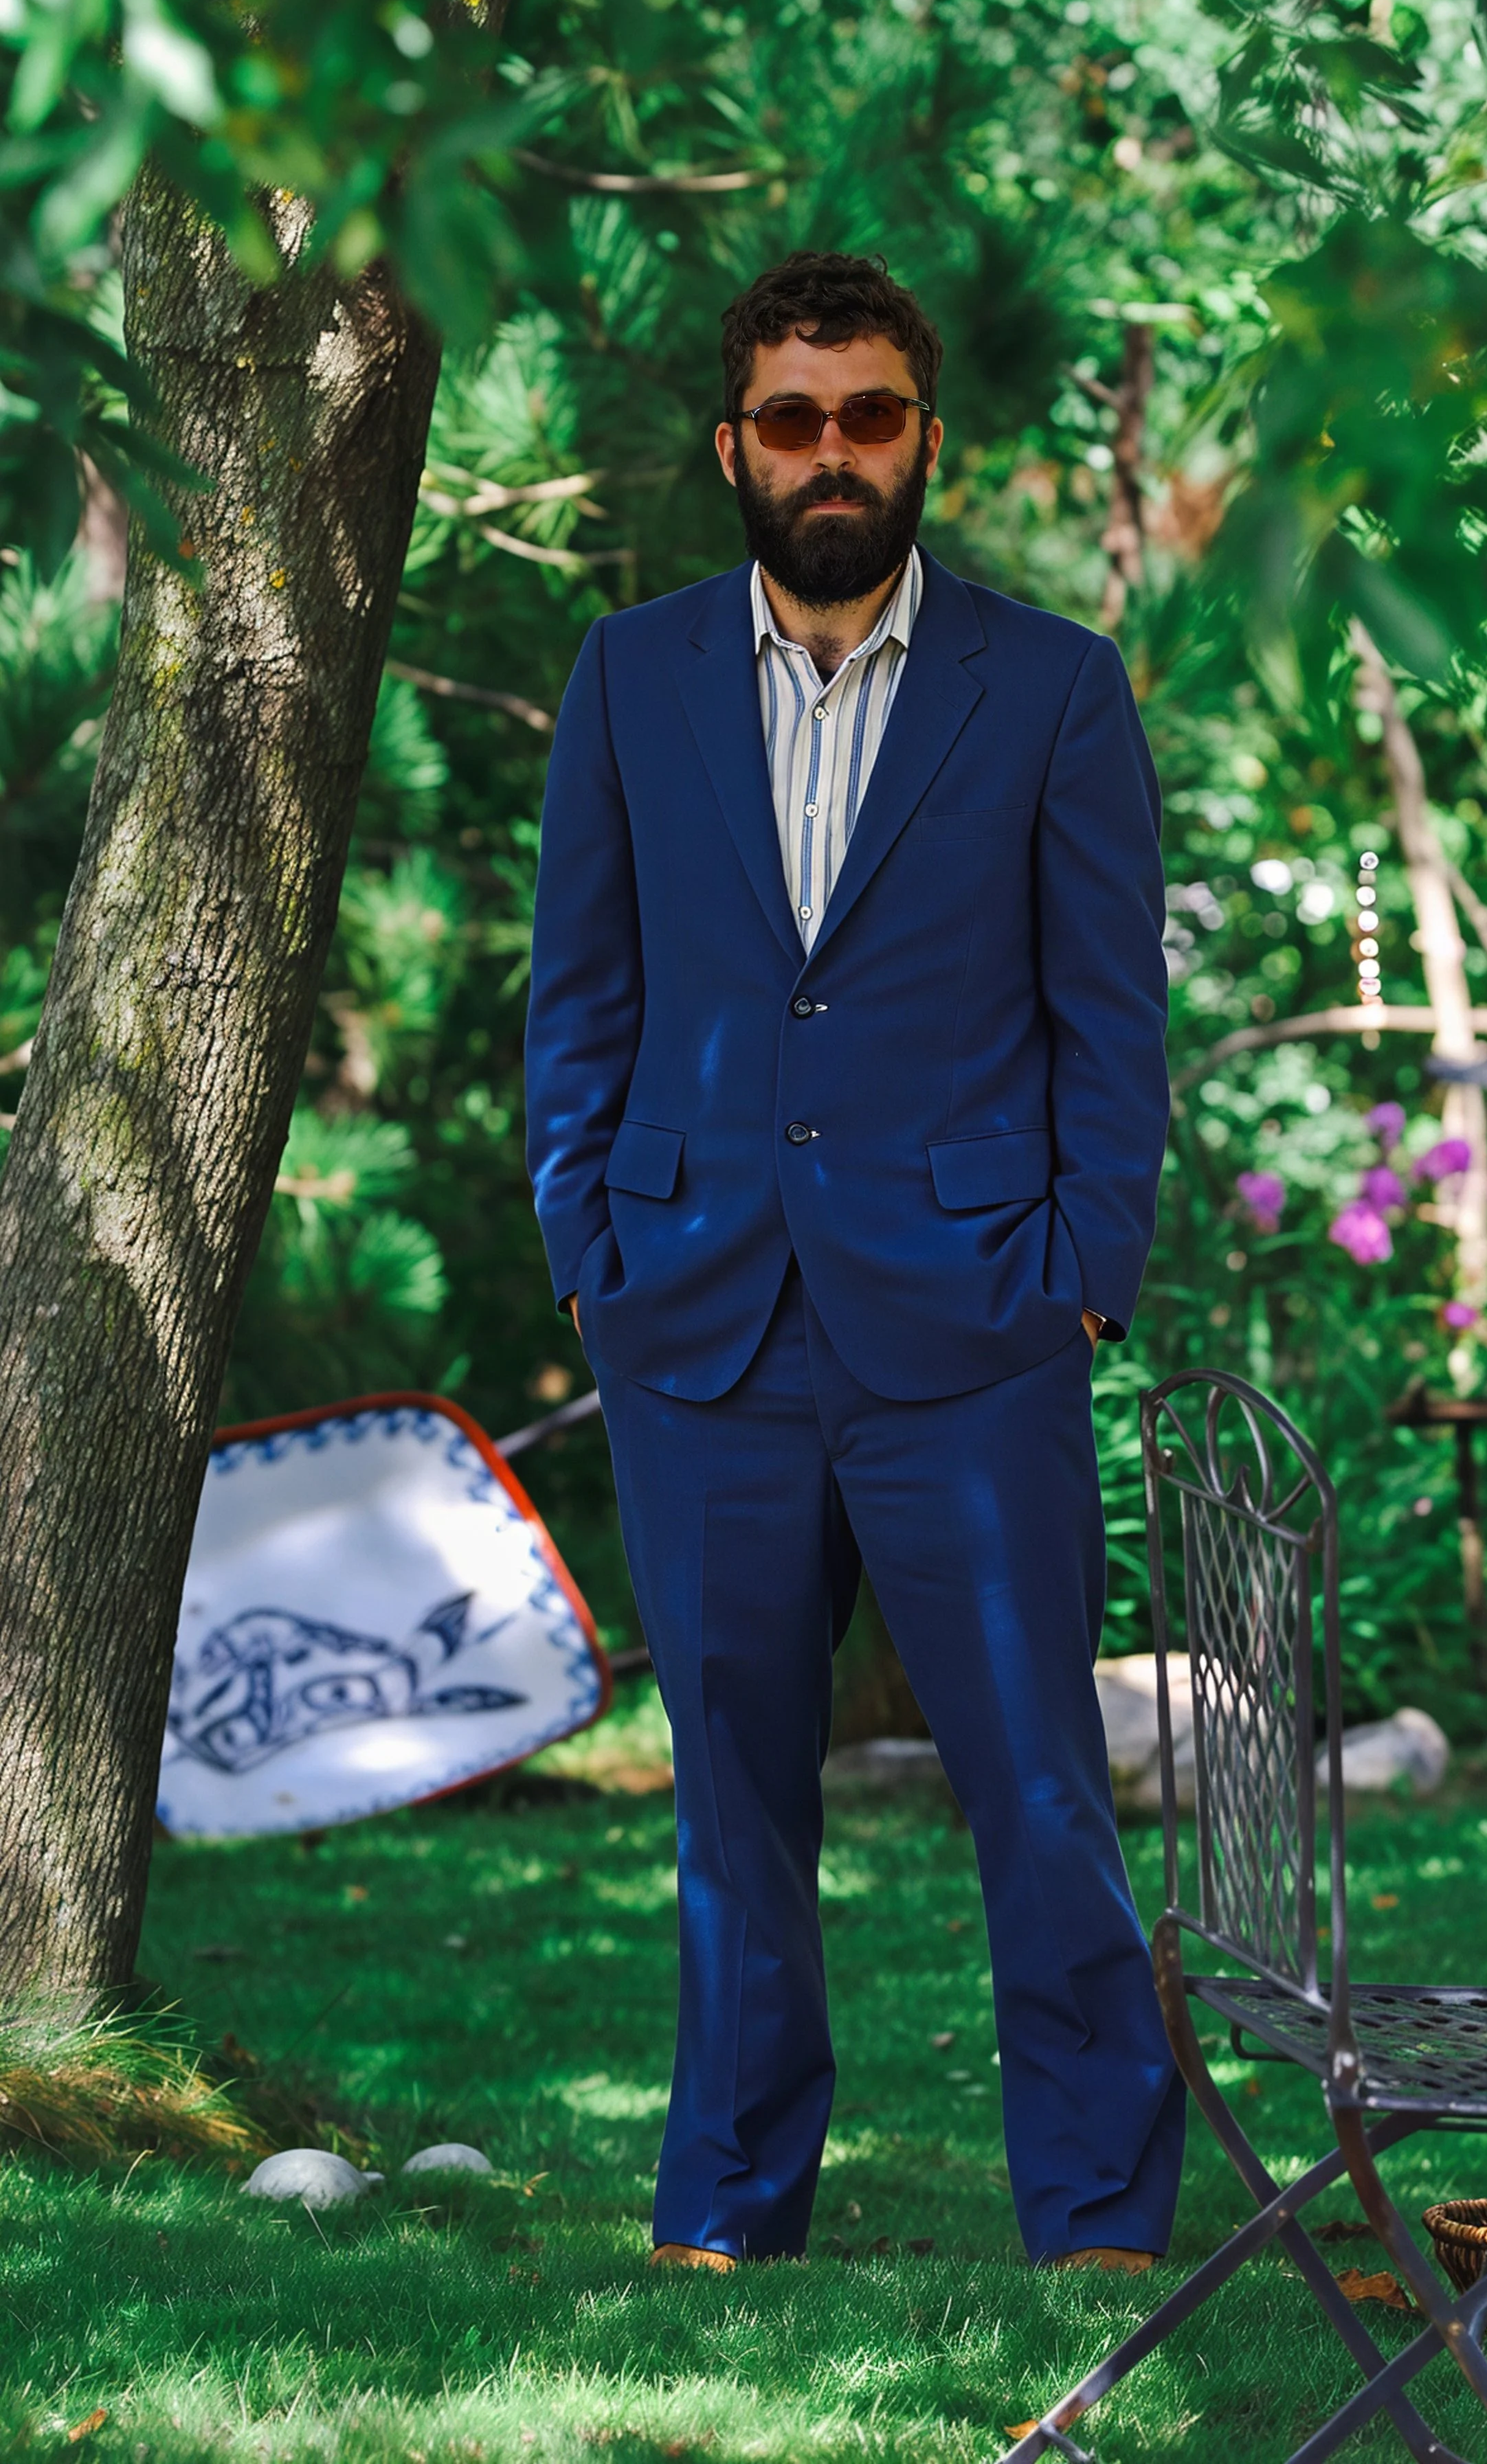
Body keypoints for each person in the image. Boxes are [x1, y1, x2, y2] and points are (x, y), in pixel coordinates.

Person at [525, 249, 1183, 2272]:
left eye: (869, 416)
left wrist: (1080, 1268)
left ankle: (1090, 2210)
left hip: (973, 1322)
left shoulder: (1049, 685)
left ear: (923, 437)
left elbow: (1110, 1019)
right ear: (735, 442)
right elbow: (580, 992)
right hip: (696, 1320)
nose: (833, 455)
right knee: (730, 1806)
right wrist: (590, 1244)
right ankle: (728, 2198)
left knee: (1039, 1794)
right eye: (794, 418)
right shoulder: (627, 678)